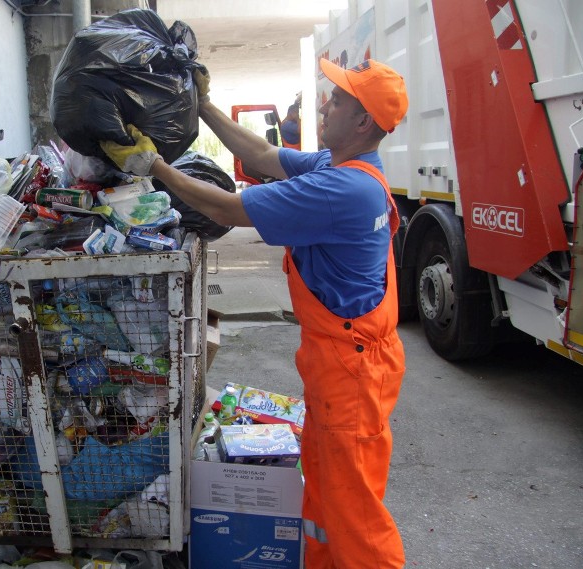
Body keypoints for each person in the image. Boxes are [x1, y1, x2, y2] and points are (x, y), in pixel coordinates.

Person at [100, 58, 409, 568]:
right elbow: (262, 153)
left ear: (363, 123)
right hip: (345, 362)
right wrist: (203, 106)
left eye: (339, 100)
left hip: (351, 374)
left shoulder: (342, 190)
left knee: (355, 513)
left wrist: (150, 165)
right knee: (328, 498)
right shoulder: (343, 168)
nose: (324, 105)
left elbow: (228, 211)